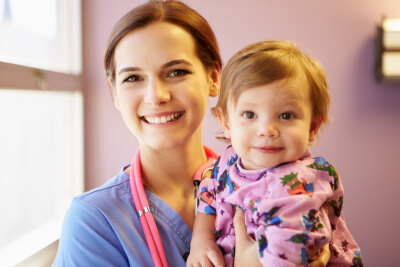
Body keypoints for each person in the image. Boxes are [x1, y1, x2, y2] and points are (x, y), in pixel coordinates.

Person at [52, 1, 330, 266]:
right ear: (115, 93)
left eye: (176, 72)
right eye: (133, 78)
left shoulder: (279, 179)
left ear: (213, 78)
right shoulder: (93, 221)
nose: (156, 96)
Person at [187, 41, 363, 267]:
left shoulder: (303, 180)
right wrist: (201, 241)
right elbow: (208, 196)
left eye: (286, 116)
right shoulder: (227, 162)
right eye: (250, 114)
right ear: (226, 122)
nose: (267, 130)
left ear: (312, 127)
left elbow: (286, 249)